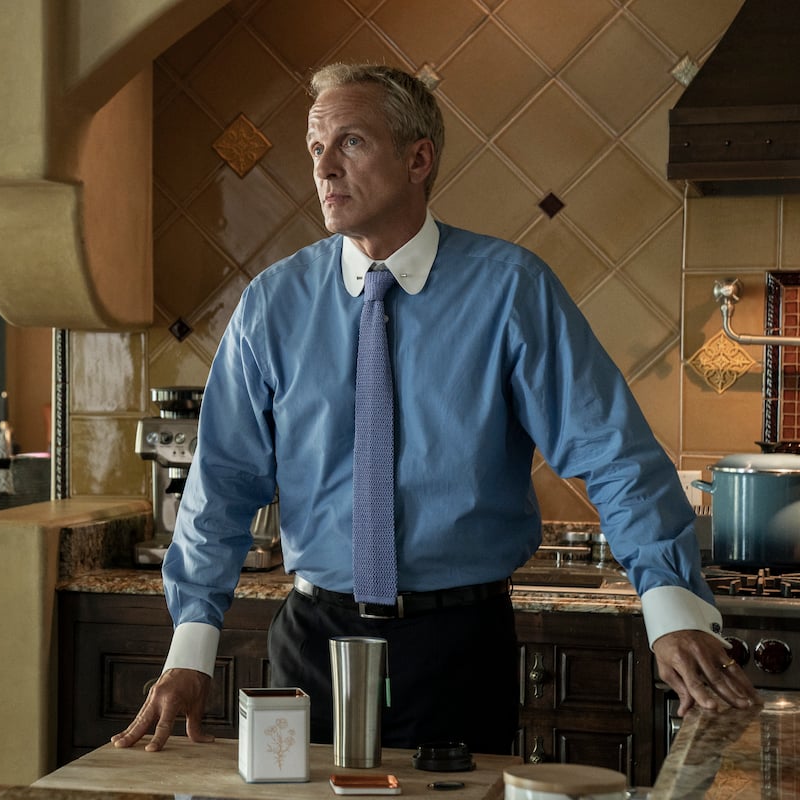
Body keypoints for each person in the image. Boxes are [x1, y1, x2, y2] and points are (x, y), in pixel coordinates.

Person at [111, 62, 759, 755]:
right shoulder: (271, 305)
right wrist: (189, 652)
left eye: (350, 143)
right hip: (311, 645)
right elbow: (223, 486)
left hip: (459, 648)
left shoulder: (510, 291)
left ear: (418, 158)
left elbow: (613, 455)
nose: (324, 168)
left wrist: (670, 611)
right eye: (315, 148)